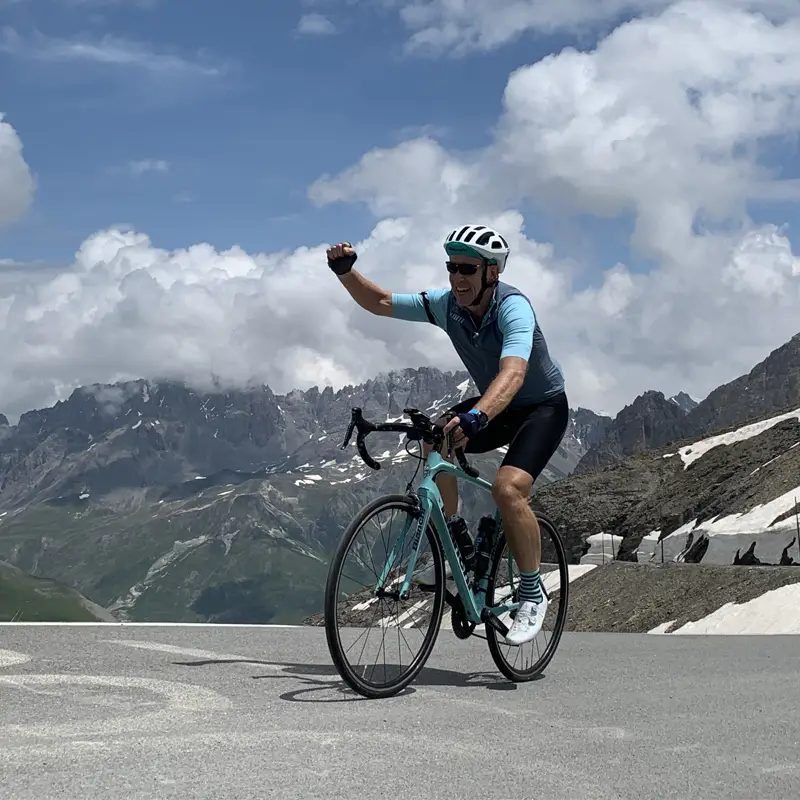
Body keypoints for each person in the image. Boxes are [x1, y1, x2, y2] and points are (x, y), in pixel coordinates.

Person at [326, 224, 568, 645]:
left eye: (467, 269)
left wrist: (477, 416)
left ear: (491, 273)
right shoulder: (446, 305)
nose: (457, 277)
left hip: (541, 407)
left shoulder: (514, 309)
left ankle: (532, 593)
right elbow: (381, 302)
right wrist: (347, 273)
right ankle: (456, 544)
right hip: (495, 403)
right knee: (434, 438)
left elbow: (513, 373)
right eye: (452, 267)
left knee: (508, 490)